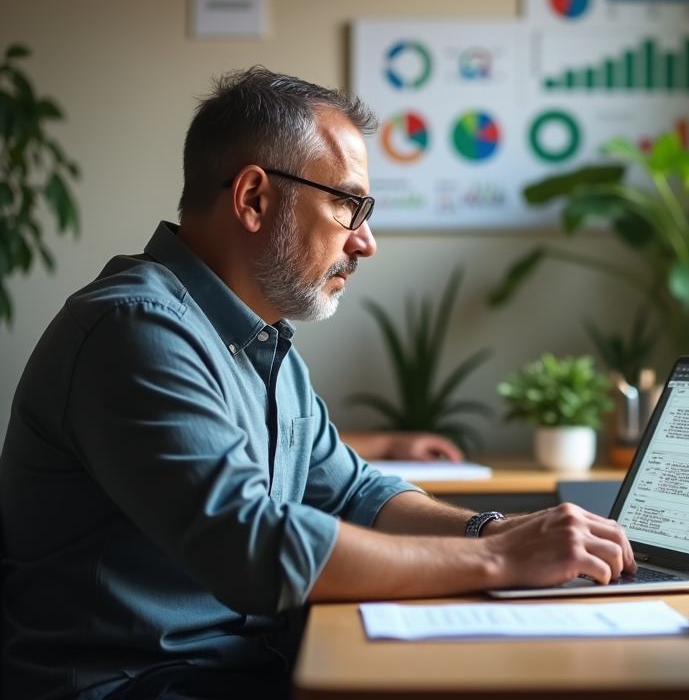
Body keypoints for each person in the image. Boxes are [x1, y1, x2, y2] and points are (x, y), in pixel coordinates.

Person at [0, 67, 633, 700]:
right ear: (253, 198)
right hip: (132, 686)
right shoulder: (134, 330)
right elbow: (254, 547)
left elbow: (356, 494)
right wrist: (503, 562)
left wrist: (491, 531)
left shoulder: (263, 345)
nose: (366, 241)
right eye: (347, 205)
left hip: (238, 669)